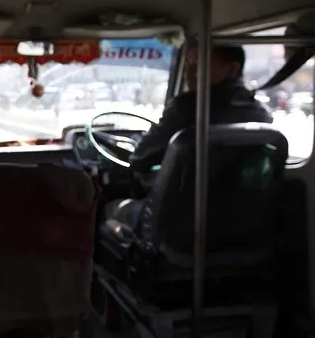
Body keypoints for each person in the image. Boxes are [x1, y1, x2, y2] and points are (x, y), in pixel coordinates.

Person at [108, 44, 273, 229]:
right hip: (244, 223)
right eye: (188, 63)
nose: (189, 70)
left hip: (181, 223)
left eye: (200, 63)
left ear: (232, 69)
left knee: (112, 210)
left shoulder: (187, 107)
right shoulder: (261, 113)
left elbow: (140, 159)